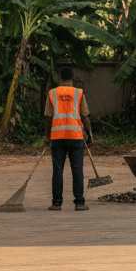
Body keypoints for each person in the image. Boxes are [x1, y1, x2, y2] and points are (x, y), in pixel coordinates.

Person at [44, 66, 93, 211]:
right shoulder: (78, 93)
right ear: (72, 78)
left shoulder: (52, 93)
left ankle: (56, 203)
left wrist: (47, 136)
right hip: (75, 135)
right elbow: (84, 116)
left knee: (57, 170)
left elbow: (48, 117)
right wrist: (89, 135)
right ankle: (79, 202)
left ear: (60, 77)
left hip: (57, 137)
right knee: (77, 169)